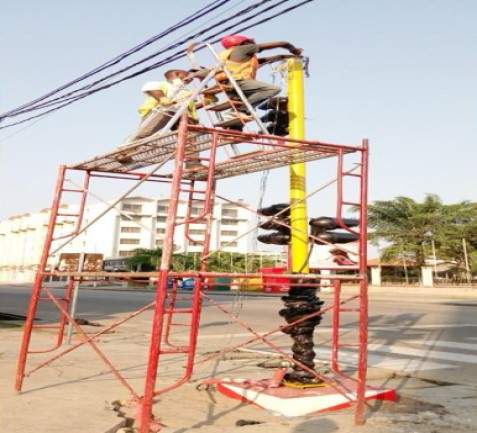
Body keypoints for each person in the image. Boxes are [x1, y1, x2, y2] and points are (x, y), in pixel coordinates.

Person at [124, 69, 203, 169]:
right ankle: (125, 153)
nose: (190, 79)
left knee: (189, 139)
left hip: (182, 115)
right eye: (186, 75)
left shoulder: (187, 91)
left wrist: (206, 102)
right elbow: (150, 87)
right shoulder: (162, 85)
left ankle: (193, 163)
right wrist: (162, 98)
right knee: (145, 132)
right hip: (164, 111)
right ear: (176, 74)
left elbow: (190, 105)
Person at [215, 35, 303, 119]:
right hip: (238, 82)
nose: (253, 44)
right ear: (243, 43)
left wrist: (288, 57)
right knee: (272, 89)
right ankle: (240, 110)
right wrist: (294, 50)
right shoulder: (242, 48)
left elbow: (267, 59)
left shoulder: (233, 55)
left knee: (243, 116)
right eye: (249, 42)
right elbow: (282, 43)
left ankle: (237, 121)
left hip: (228, 87)